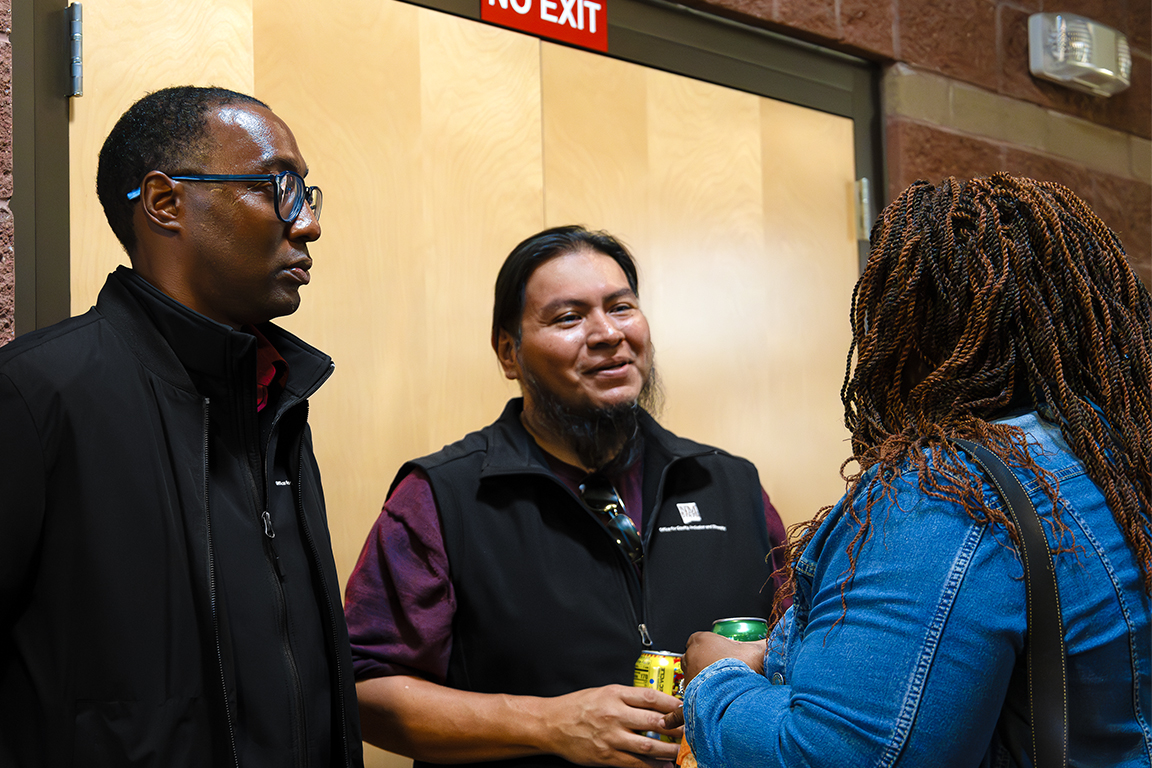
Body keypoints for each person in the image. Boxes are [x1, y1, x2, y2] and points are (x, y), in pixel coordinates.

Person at [669, 174, 1152, 766]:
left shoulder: (947, 492)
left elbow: (837, 756)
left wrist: (715, 682)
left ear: (906, 325)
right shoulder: (1122, 457)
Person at [0, 86, 363, 767]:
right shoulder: (35, 395)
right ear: (167, 204)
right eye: (278, 187)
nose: (307, 223)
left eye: (307, 193)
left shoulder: (278, 395)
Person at [344, 225, 788, 768]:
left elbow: (802, 652)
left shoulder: (729, 485)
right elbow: (366, 690)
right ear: (510, 354)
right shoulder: (442, 497)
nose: (606, 333)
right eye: (568, 317)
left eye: (621, 307)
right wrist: (549, 724)